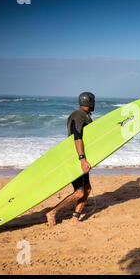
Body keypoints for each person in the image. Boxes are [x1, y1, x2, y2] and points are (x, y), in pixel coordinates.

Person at [46, 92, 95, 226]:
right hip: (75, 158)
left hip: (81, 157)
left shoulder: (85, 116)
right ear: (89, 101)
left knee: (87, 189)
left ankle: (75, 219)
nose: (94, 103)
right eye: (93, 101)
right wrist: (82, 159)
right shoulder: (78, 115)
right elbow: (77, 137)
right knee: (79, 192)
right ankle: (52, 212)